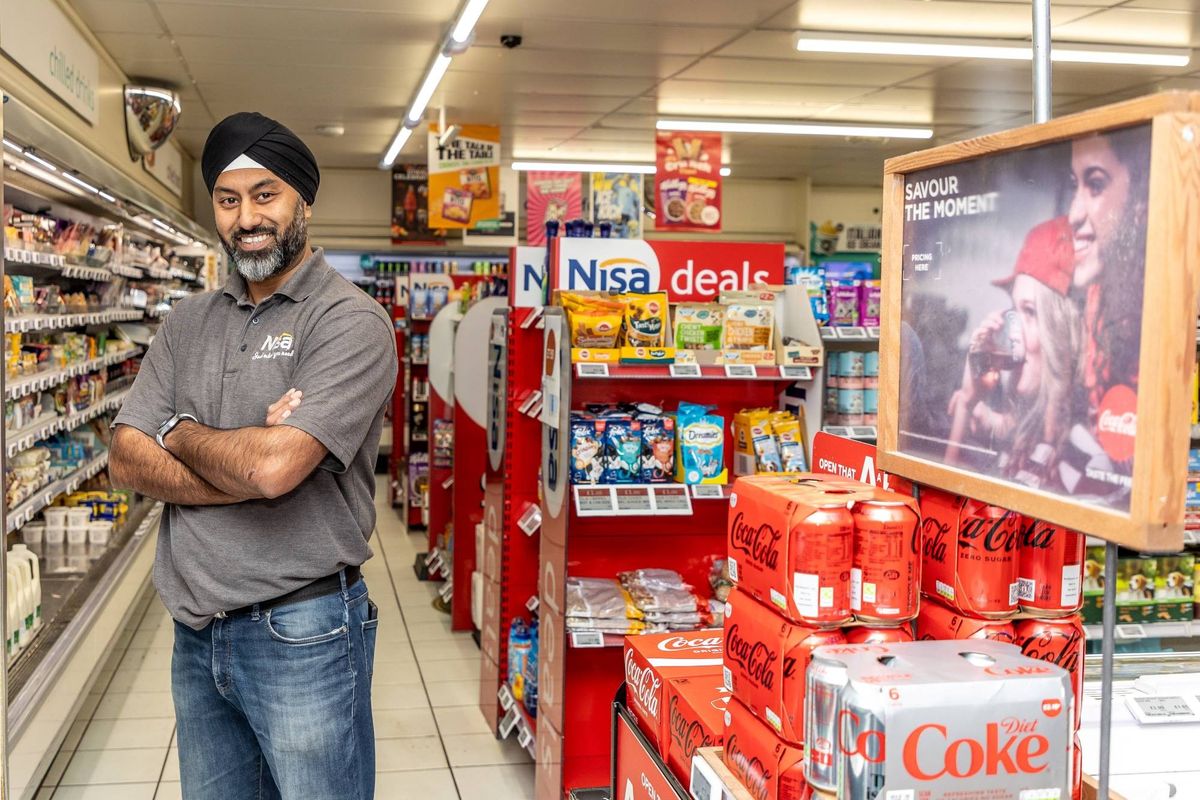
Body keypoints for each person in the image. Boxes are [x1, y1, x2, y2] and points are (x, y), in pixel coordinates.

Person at [109, 111, 398, 800]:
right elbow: (124, 458)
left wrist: (177, 430)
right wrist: (246, 455)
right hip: (197, 633)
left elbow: (274, 468)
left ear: (302, 198)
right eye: (228, 199)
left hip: (305, 632)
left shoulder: (350, 322)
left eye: (265, 194)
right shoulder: (187, 322)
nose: (246, 218)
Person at [946, 216, 1081, 488]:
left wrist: (970, 408)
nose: (1013, 332)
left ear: (1063, 332)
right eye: (1015, 311)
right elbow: (949, 492)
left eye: (1030, 312)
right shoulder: (1030, 431)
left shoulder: (1077, 455)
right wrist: (969, 400)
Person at [1059, 126, 1150, 497]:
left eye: (1095, 185)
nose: (1073, 214)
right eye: (1074, 185)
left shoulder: (1155, 313)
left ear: (1141, 201)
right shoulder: (1096, 295)